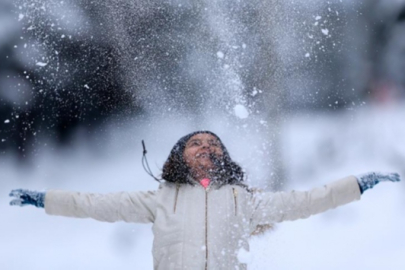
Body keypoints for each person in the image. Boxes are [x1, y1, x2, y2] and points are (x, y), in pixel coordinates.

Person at [9, 131, 401, 270]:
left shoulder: (243, 201)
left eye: (214, 144)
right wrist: (45, 199)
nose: (206, 147)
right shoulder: (159, 199)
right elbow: (94, 203)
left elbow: (307, 200)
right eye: (196, 143)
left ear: (223, 157)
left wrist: (357, 184)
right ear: (180, 155)